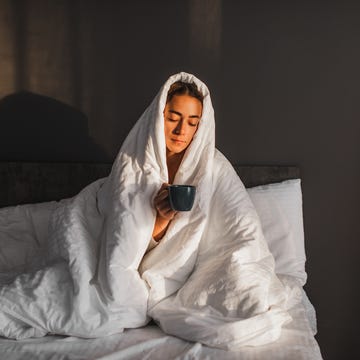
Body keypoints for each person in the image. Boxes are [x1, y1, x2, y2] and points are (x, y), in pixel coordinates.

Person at [0, 72, 291, 349]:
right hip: (100, 234)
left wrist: (246, 274)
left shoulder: (213, 168)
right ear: (158, 116)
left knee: (243, 285)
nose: (181, 130)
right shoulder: (134, 165)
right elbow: (121, 245)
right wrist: (160, 221)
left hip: (181, 269)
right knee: (102, 302)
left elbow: (241, 229)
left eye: (192, 122)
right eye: (173, 118)